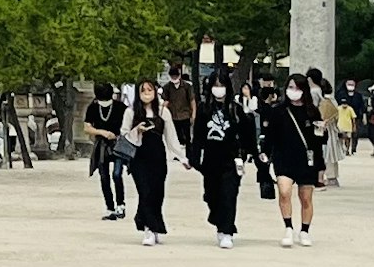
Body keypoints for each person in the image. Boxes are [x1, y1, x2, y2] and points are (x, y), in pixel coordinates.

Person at [192, 72, 252, 249]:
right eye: (216, 85)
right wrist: (195, 158)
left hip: (231, 160)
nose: (219, 89)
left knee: (228, 194)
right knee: (212, 195)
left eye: (222, 85)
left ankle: (227, 231)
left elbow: (247, 135)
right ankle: (218, 220)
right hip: (210, 160)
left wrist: (246, 155)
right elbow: (198, 136)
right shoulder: (204, 109)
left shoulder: (236, 109)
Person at [262, 74, 324, 244]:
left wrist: (321, 166)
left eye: (297, 88)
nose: (293, 91)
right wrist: (265, 154)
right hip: (283, 158)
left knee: (305, 198)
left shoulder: (312, 112)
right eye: (290, 87)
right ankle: (288, 227)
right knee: (284, 191)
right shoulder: (278, 111)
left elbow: (318, 142)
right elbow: (270, 137)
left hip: (306, 160)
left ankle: (304, 230)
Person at [128, 79, 179, 245]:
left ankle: (154, 225)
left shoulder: (163, 112)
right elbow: (124, 135)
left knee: (157, 193)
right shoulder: (131, 112)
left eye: (150, 90)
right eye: (143, 91)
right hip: (139, 158)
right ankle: (148, 228)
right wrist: (137, 131)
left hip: (157, 157)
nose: (147, 94)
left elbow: (171, 137)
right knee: (145, 191)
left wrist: (182, 156)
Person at [87, 82, 130, 218]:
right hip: (101, 144)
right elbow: (87, 127)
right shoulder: (93, 108)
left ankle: (120, 204)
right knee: (104, 176)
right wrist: (103, 132)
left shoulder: (120, 107)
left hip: (117, 144)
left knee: (117, 174)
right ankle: (110, 207)